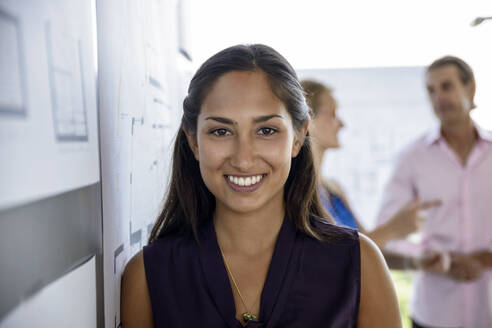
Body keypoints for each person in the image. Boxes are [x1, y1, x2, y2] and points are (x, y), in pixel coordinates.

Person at [120, 44, 402, 328]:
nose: (243, 159)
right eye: (221, 131)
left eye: (266, 130)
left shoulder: (359, 265)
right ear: (193, 141)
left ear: (298, 137)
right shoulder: (147, 277)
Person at [375, 56, 492, 328]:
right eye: (431, 90)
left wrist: (485, 259)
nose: (438, 97)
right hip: (433, 314)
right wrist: (422, 257)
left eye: (446, 86)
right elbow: (386, 234)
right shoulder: (411, 158)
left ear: (470, 88)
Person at [300, 79, 441, 251]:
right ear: (308, 119)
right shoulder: (298, 193)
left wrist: (419, 262)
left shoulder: (334, 189)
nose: (342, 124)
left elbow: (369, 249)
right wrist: (393, 228)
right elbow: (332, 255)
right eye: (333, 114)